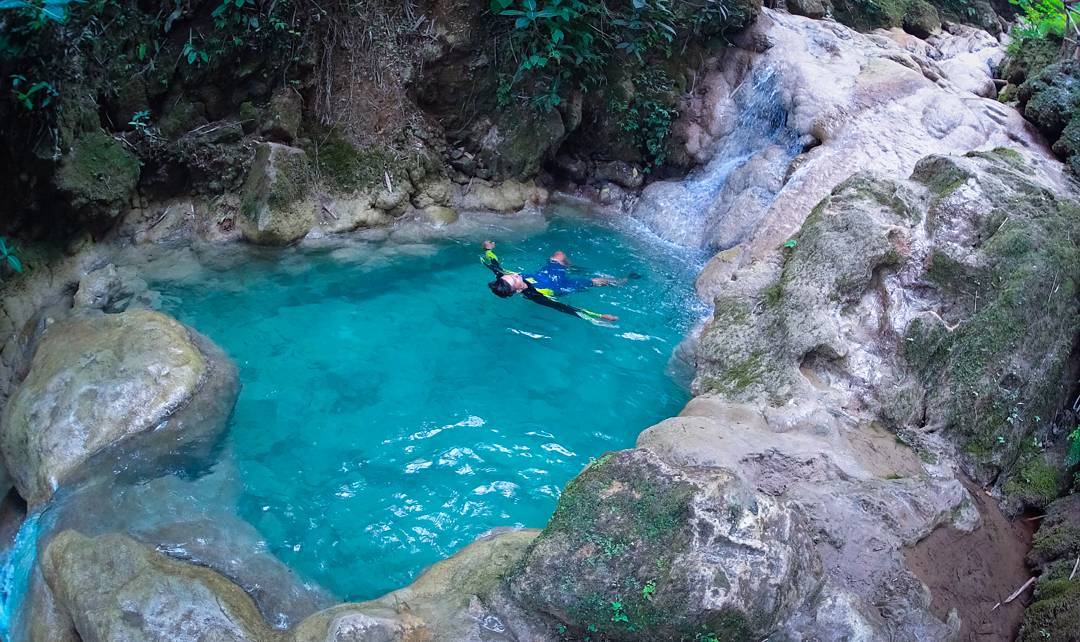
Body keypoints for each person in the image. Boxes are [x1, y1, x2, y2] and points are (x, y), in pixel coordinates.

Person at [480, 240, 620, 322]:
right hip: (561, 286)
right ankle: (621, 282)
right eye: (514, 279)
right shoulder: (534, 295)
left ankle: (567, 268)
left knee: (559, 255)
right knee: (596, 281)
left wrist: (487, 249)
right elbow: (563, 308)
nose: (516, 275)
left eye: (512, 275)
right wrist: (598, 316)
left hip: (545, 274)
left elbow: (494, 263)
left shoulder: (502, 278)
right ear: (516, 290)